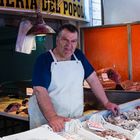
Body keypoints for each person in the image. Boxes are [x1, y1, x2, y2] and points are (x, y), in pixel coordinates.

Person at [28, 23, 119, 132]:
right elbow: (40, 90)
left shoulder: (78, 56)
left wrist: (106, 103)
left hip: (74, 118)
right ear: (57, 40)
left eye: (73, 41)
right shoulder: (44, 60)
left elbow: (93, 79)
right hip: (49, 121)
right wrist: (52, 117)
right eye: (65, 40)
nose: (69, 45)